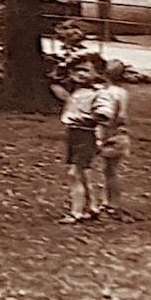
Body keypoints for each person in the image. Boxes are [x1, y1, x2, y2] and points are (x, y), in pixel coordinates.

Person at [57, 52, 107, 222]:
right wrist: (67, 64)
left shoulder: (99, 93)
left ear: (98, 73)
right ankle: (92, 206)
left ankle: (76, 212)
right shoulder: (77, 89)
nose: (80, 73)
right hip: (73, 133)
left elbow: (103, 118)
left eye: (86, 70)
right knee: (83, 173)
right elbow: (55, 79)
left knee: (74, 174)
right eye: (78, 70)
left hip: (87, 134)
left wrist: (99, 139)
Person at [96, 58, 133, 218]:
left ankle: (113, 203)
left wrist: (108, 127)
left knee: (110, 170)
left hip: (112, 135)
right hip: (119, 134)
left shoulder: (107, 93)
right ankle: (107, 201)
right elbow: (123, 114)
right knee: (109, 169)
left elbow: (117, 116)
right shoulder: (122, 92)